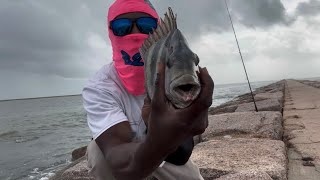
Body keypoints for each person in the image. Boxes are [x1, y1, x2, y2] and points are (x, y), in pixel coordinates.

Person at [82, 0, 214, 179]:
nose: (135, 33)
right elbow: (117, 158)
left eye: (146, 25)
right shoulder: (100, 86)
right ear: (110, 32)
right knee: (98, 152)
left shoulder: (175, 73)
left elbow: (182, 154)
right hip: (129, 155)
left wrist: (187, 123)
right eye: (122, 27)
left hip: (165, 155)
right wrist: (157, 136)